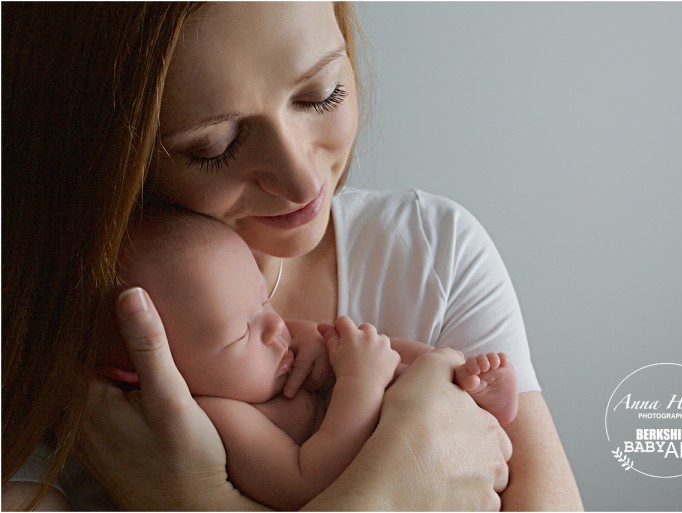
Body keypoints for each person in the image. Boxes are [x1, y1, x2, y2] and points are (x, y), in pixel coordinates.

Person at [2, 2, 582, 511]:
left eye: (320, 93)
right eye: (214, 147)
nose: (303, 182)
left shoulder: (433, 249)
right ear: (110, 158)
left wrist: (196, 500)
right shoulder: (55, 356)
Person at [100, 206, 519, 510]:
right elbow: (307, 481)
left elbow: (368, 348)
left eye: (264, 301)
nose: (274, 326)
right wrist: (359, 383)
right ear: (150, 372)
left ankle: (469, 386)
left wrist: (345, 352)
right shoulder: (219, 415)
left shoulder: (276, 345)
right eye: (240, 332)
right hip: (389, 484)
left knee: (379, 351)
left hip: (435, 458)